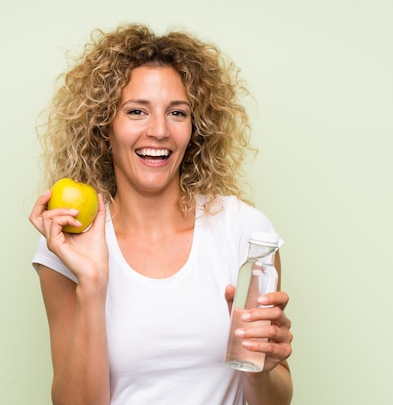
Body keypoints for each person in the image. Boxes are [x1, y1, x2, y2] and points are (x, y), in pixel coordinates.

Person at [29, 23, 293, 405]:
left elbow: (274, 400)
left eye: (177, 113)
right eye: (136, 111)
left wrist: (264, 367)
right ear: (105, 127)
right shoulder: (69, 240)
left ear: (194, 129)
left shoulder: (245, 232)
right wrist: (92, 283)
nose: (158, 130)